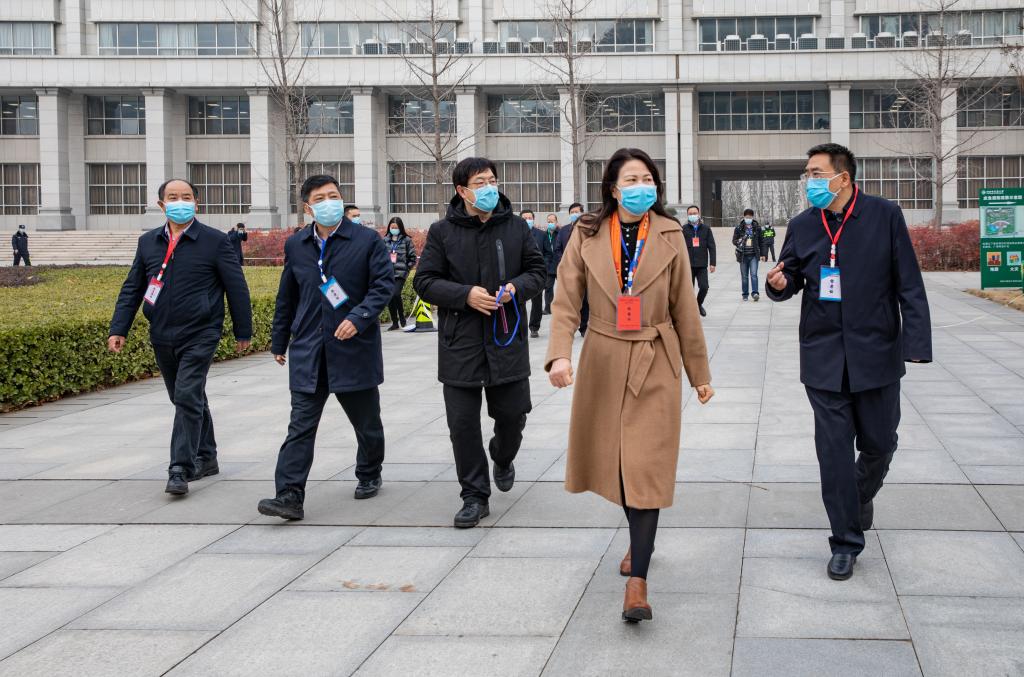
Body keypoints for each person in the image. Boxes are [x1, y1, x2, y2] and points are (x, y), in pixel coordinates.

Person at [546, 148, 713, 623]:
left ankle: (637, 581)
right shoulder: (586, 232)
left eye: (648, 179)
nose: (642, 187)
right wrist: (560, 353)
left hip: (655, 356)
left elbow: (685, 309)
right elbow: (565, 297)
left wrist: (699, 374)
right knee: (617, 464)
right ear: (614, 189)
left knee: (647, 464)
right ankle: (642, 542)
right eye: (632, 180)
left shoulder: (670, 233)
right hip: (602, 357)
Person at [766, 143, 932, 581]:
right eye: (807, 174)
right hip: (823, 356)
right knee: (834, 454)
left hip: (876, 352)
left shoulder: (884, 215)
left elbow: (909, 283)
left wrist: (916, 342)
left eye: (816, 173)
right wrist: (779, 284)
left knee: (880, 443)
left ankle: (858, 496)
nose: (810, 182)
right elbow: (791, 274)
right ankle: (845, 541)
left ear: (843, 177)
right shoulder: (803, 224)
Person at [414, 157, 546, 529]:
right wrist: (465, 295)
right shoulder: (442, 232)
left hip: (506, 339)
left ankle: (502, 457)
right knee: (463, 425)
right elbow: (424, 281)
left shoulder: (516, 227)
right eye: (479, 182)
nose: (488, 188)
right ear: (462, 191)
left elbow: (538, 272)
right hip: (460, 343)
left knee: (513, 415)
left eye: (492, 180)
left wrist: (515, 288)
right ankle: (474, 496)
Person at [257, 175, 394, 521]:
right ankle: (289, 494)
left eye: (334, 195)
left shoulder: (366, 240)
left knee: (366, 423)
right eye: (320, 198)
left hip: (353, 347)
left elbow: (383, 285)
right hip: (309, 349)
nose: (329, 202)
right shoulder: (297, 244)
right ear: (308, 208)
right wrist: (279, 339)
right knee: (300, 425)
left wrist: (359, 317)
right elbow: (287, 295)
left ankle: (369, 470)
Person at [108, 179, 252, 496]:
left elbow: (236, 286)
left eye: (186, 197)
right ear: (161, 204)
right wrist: (119, 328)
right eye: (173, 197)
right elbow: (133, 287)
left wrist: (243, 329)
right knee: (185, 396)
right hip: (162, 333)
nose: (180, 202)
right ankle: (207, 456)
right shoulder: (148, 242)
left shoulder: (215, 241)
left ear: (196, 203)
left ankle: (180, 468)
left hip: (201, 331)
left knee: (187, 395)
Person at [554, 202, 589, 335]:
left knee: (585, 301)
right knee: (570, 300)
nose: (574, 214)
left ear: (582, 213)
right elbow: (557, 249)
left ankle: (584, 327)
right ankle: (569, 327)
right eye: (572, 212)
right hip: (568, 270)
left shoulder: (588, 229)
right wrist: (565, 262)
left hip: (584, 269)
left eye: (576, 212)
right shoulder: (563, 230)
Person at [383, 216, 418, 331]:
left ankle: (402, 317)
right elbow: (380, 256)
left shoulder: (406, 240)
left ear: (400, 227)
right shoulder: (385, 240)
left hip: (400, 273)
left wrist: (407, 268)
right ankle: (395, 322)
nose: (393, 229)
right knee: (390, 297)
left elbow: (412, 257)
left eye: (396, 227)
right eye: (392, 227)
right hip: (388, 273)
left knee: (396, 294)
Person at [682, 205, 716, 317]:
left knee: (704, 287)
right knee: (688, 290)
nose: (693, 215)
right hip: (688, 265)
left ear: (699, 214)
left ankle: (698, 304)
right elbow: (680, 247)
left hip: (702, 264)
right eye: (690, 214)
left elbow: (712, 246)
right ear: (687, 215)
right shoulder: (683, 229)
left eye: (694, 213)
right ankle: (690, 311)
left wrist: (712, 263)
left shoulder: (706, 229)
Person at [528, 213, 558, 338]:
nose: (527, 220)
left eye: (529, 218)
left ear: (533, 219)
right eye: (524, 218)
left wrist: (542, 265)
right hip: (519, 272)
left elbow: (548, 253)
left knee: (536, 300)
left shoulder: (541, 235)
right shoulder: (514, 234)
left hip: (536, 272)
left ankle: (534, 327)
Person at [732, 208, 767, 301]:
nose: (748, 219)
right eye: (747, 217)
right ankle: (745, 294)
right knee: (744, 276)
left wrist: (763, 254)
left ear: (752, 217)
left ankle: (755, 293)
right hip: (743, 256)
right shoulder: (739, 228)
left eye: (750, 217)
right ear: (744, 217)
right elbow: (734, 240)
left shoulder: (757, 228)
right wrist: (739, 240)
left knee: (754, 274)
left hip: (754, 255)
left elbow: (762, 242)